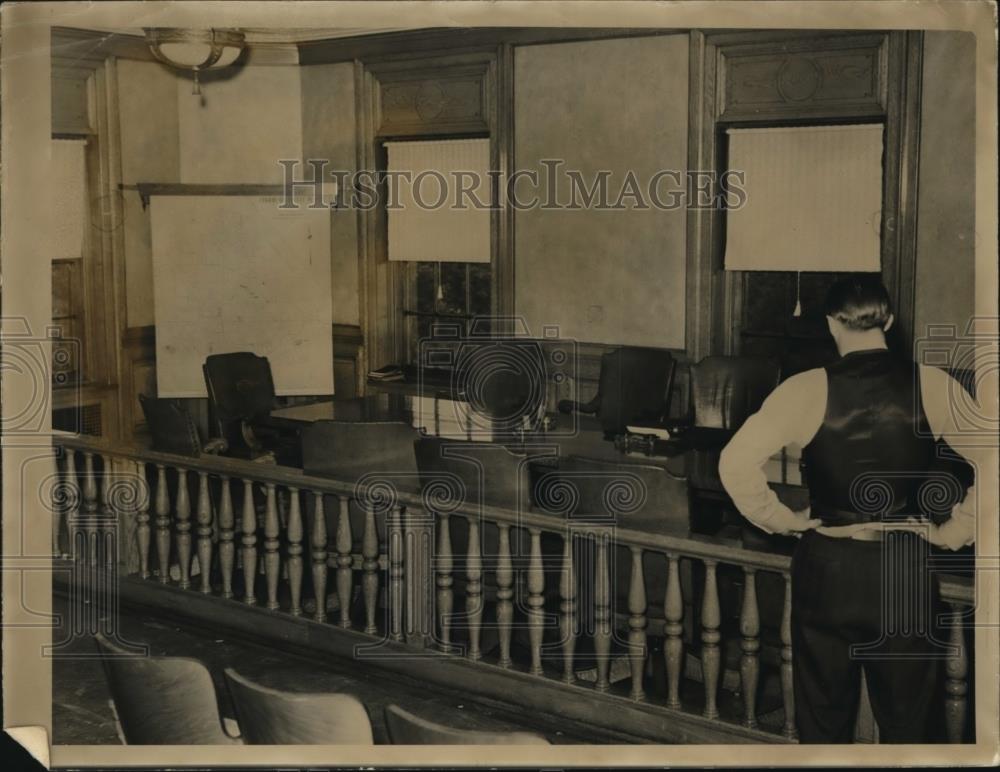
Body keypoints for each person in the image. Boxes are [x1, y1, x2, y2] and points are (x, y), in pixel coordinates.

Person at [718, 275, 978, 743]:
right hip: (903, 566)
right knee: (911, 726)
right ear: (890, 321)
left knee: (822, 723)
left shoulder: (804, 389)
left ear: (831, 323)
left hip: (828, 564)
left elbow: (734, 463)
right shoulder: (933, 384)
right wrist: (954, 531)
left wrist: (784, 521)